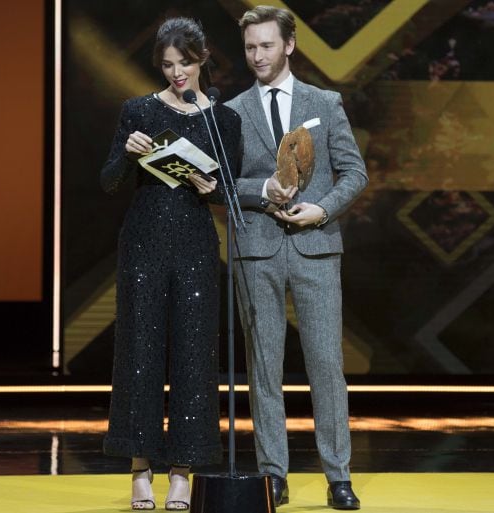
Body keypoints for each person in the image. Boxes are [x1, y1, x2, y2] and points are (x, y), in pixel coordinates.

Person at [226, 5, 367, 510]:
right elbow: (219, 183)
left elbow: (354, 172)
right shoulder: (234, 110)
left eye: (266, 45)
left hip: (316, 247)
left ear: (289, 45)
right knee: (265, 368)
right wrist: (262, 188)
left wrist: (322, 210)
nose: (257, 55)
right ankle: (273, 475)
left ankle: (339, 476)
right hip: (257, 251)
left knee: (326, 366)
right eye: (250, 47)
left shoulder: (324, 102)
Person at [100, 17, 241, 512]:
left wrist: (212, 189)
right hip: (143, 242)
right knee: (140, 353)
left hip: (196, 245)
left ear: (202, 59)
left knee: (192, 357)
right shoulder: (137, 109)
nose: (176, 73)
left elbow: (232, 194)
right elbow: (109, 180)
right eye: (167, 65)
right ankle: (140, 469)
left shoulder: (224, 120)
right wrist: (129, 153)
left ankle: (182, 470)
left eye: (184, 63)